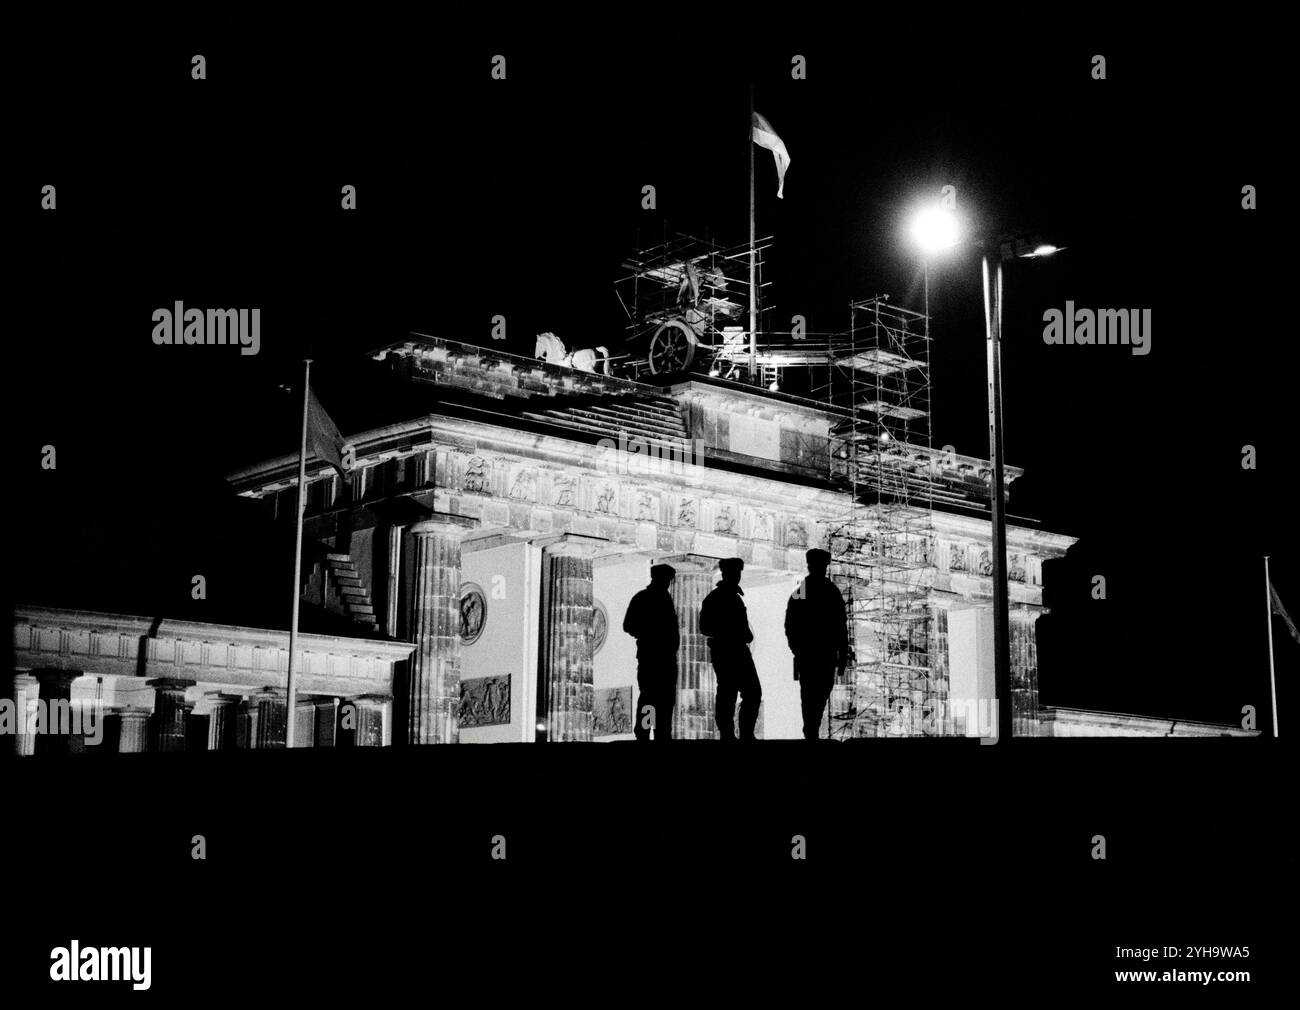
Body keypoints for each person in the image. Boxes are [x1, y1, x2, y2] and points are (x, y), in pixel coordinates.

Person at [785, 548, 848, 740]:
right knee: (813, 693)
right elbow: (792, 624)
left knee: (817, 692)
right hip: (815, 652)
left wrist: (842, 654)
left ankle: (811, 728)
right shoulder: (811, 591)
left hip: (818, 652)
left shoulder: (824, 591)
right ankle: (810, 730)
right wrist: (798, 648)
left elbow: (840, 624)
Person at [699, 557, 761, 741]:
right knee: (731, 692)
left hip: (735, 650)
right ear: (726, 574)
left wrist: (743, 634)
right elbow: (705, 627)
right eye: (734, 572)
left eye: (738, 573)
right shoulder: (717, 597)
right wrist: (730, 633)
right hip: (728, 650)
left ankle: (741, 733)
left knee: (744, 692)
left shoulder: (731, 596)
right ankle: (731, 733)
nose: (737, 576)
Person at [622, 563, 680, 741]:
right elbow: (629, 625)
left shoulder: (664, 598)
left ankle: (661, 733)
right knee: (650, 697)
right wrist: (650, 633)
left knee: (665, 698)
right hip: (652, 656)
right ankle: (645, 733)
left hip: (666, 657)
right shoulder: (644, 598)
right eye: (666, 580)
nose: (667, 583)